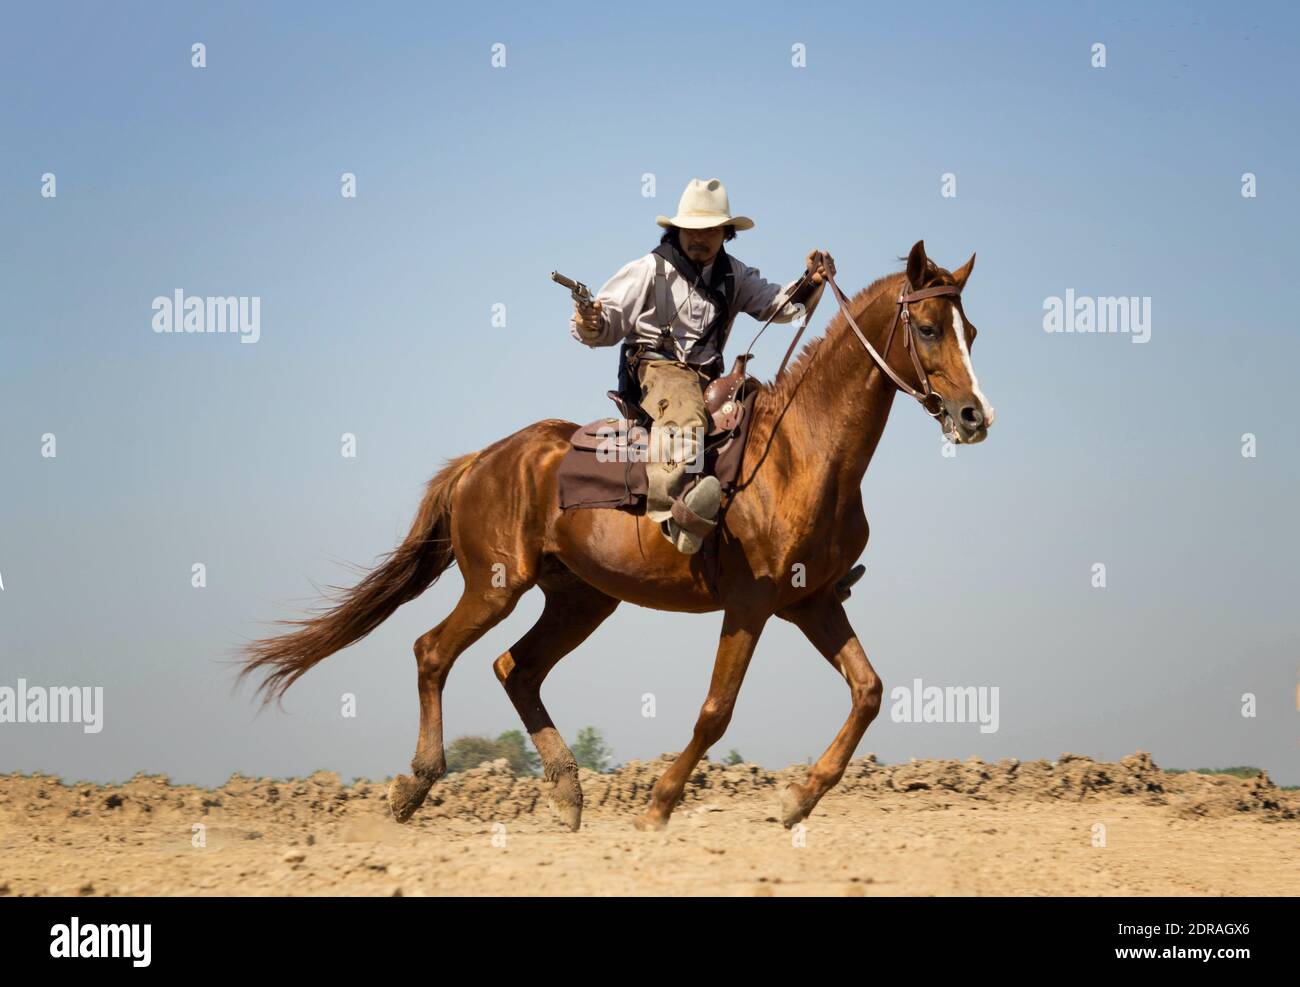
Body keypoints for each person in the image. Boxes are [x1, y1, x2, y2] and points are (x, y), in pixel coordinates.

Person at [571, 177, 835, 554]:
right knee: (685, 413)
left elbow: (778, 307)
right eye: (691, 230)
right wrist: (590, 322)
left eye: (709, 230)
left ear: (726, 233)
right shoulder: (649, 269)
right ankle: (672, 516)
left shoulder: (735, 274)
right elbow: (607, 321)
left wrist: (812, 281)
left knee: (767, 418)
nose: (699, 238)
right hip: (656, 369)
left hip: (711, 377)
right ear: (676, 230)